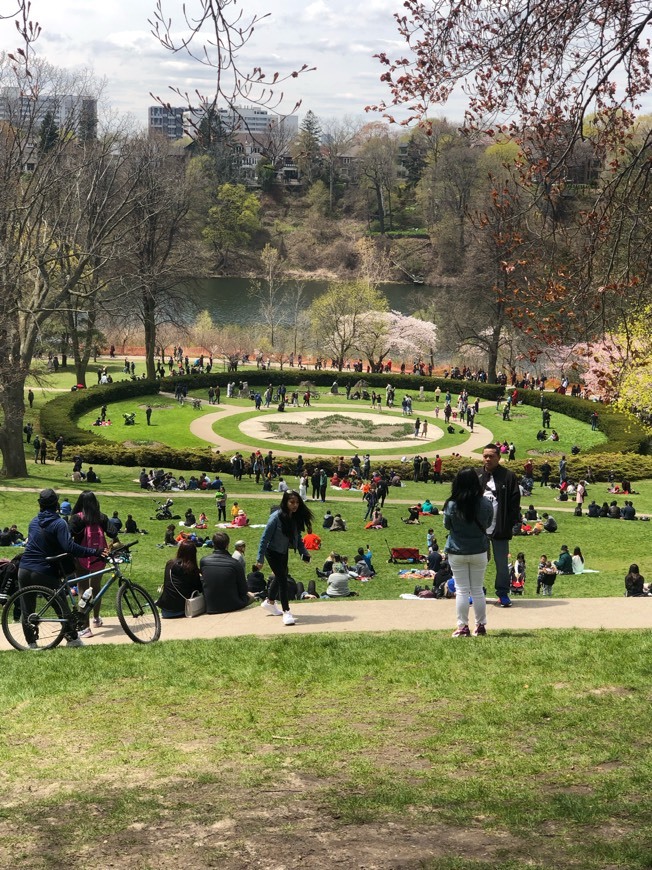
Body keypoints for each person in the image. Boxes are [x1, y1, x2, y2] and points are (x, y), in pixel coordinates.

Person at [17, 489, 107, 649]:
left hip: (24, 568)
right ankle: (72, 639)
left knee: (27, 609)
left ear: (40, 504)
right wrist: (94, 551)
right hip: (44, 570)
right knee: (62, 609)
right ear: (56, 505)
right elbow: (69, 546)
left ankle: (31, 643)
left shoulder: (33, 522)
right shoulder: (59, 523)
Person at [443, 467, 493, 637]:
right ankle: (480, 625)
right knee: (477, 589)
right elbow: (487, 524)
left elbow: (447, 525)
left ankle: (462, 626)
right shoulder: (485, 502)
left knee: (462, 590)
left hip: (457, 550)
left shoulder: (452, 504)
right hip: (479, 549)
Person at [254, 490, 313, 625]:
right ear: (285, 502)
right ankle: (286, 612)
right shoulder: (275, 518)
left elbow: (297, 538)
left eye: (297, 502)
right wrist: (260, 559)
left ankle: (269, 602)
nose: (295, 505)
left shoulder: (295, 517)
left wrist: (304, 553)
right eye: (292, 502)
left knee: (283, 575)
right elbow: (264, 539)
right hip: (272, 552)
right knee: (282, 580)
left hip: (283, 551)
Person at [69, 490, 119, 636]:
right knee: (96, 588)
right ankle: (96, 618)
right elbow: (113, 532)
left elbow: (68, 535)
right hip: (100, 556)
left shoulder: (77, 519)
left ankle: (84, 626)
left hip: (81, 557)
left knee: (83, 590)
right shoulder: (101, 517)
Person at [477, 443, 521, 607]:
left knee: (502, 565)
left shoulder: (508, 476)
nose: (487, 459)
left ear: (499, 457)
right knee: (479, 562)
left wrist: (510, 523)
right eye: (485, 456)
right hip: (479, 530)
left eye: (491, 456)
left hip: (500, 528)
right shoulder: (477, 475)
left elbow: (514, 502)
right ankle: (476, 591)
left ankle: (502, 593)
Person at [200, 532, 255, 613]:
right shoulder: (235, 563)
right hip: (233, 605)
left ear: (213, 544)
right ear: (227, 545)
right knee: (252, 596)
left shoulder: (203, 561)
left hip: (211, 606)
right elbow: (243, 589)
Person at [156, 540, 203, 618]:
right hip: (184, 609)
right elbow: (199, 588)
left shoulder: (170, 564)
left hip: (166, 610)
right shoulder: (191, 568)